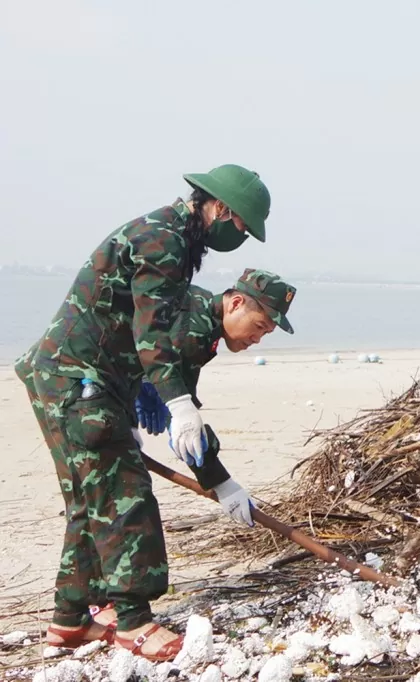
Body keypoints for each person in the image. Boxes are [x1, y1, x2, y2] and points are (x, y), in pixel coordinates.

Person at [14, 165, 272, 661]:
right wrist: (174, 402)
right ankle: (132, 621)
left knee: (92, 498)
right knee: (124, 494)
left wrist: (216, 476)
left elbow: (143, 338)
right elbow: (152, 332)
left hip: (79, 377)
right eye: (240, 226)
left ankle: (71, 621)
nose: (238, 237)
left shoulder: (176, 239)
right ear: (219, 207)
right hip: (78, 378)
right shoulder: (163, 239)